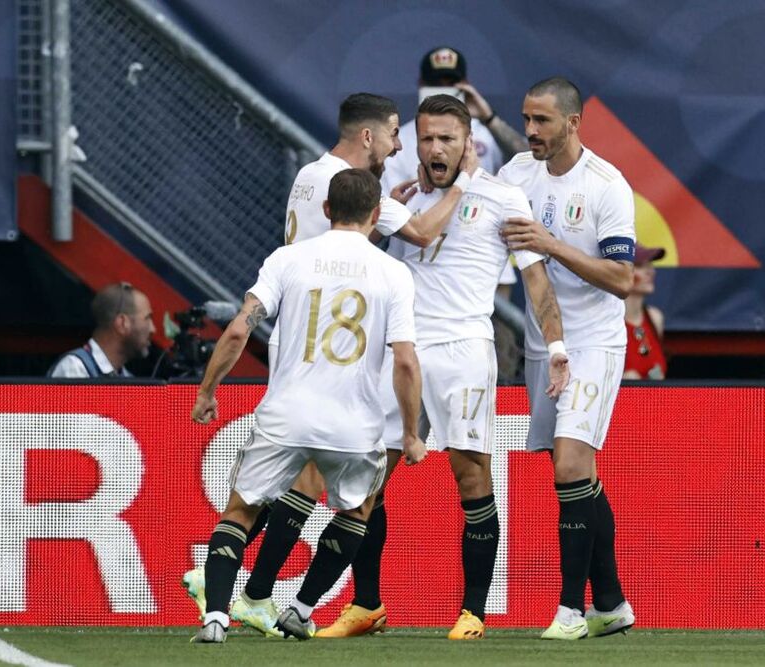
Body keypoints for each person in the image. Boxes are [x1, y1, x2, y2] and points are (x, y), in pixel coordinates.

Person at [181, 92, 480, 634]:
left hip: (297, 354)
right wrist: (461, 185)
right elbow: (421, 233)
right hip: (346, 380)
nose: (399, 144)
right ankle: (280, 600)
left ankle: (236, 599)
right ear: (368, 138)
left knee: (261, 497)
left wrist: (207, 390)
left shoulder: (308, 180)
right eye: (394, 132)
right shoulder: (381, 252)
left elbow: (238, 326)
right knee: (350, 502)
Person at [318, 95, 568, 641]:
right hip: (399, 350)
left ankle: (473, 611)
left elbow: (536, 280)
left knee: (471, 476)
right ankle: (367, 605)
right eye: (427, 138)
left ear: (468, 143)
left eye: (446, 139)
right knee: (367, 479)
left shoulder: (502, 195)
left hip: (463, 351)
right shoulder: (399, 200)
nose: (434, 148)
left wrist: (555, 348)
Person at [189, 169, 425, 643]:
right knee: (358, 513)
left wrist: (207, 390)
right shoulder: (394, 273)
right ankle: (299, 608)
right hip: (354, 424)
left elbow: (238, 329)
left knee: (240, 512)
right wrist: (412, 432)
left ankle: (216, 616)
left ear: (326, 210)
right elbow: (404, 360)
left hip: (286, 415)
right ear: (377, 214)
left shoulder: (287, 259)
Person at [497, 77, 637, 640]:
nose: (531, 130)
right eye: (527, 119)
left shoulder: (608, 185)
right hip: (543, 343)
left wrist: (552, 243)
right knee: (579, 475)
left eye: (543, 121)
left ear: (573, 123)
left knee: (571, 464)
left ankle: (570, 611)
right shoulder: (516, 174)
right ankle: (611, 603)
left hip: (594, 342)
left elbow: (622, 278)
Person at [382, 46, 528, 293]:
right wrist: (427, 177)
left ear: (466, 85)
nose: (444, 88)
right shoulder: (401, 141)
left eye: (452, 82)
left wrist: (488, 117)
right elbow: (387, 213)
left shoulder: (486, 133)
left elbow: (531, 162)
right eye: (436, 83)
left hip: (488, 272)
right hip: (422, 272)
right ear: (420, 84)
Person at [47, 281, 155, 378]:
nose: (153, 329)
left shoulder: (128, 379)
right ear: (122, 323)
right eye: (147, 318)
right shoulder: (74, 369)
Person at [623, 244, 667, 380]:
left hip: (655, 400)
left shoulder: (655, 318)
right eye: (640, 266)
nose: (651, 271)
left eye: (650, 265)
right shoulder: (606, 321)